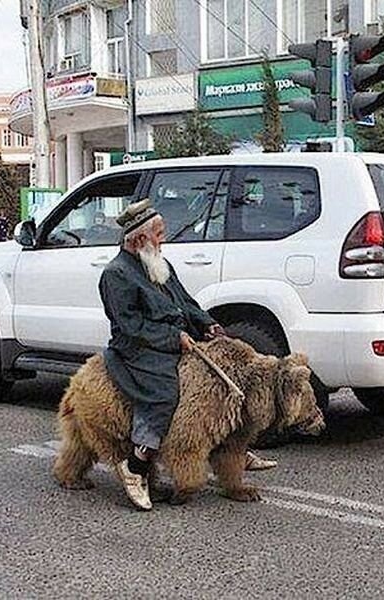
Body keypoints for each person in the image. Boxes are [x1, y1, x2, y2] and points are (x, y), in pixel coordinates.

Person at [100, 198, 276, 511]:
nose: (163, 239)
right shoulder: (116, 275)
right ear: (139, 239)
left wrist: (208, 325)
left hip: (177, 339)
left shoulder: (158, 263)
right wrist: (173, 336)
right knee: (165, 393)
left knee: (226, 378)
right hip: (139, 350)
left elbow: (186, 302)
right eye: (159, 234)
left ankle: (229, 448)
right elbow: (130, 326)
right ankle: (136, 464)